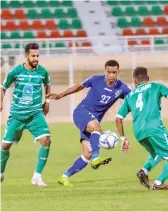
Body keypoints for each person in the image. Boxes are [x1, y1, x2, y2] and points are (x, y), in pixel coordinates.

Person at [47, 60, 131, 186]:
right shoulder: (95, 79)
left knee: (87, 154)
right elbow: (79, 86)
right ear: (105, 72)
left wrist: (124, 137)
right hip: (81, 112)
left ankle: (64, 177)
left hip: (92, 121)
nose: (112, 75)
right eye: (109, 72)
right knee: (97, 129)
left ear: (118, 72)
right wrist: (60, 95)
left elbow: (134, 98)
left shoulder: (121, 88)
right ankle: (97, 158)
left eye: (114, 72)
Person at [116, 66, 168, 190]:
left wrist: (123, 138)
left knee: (157, 153)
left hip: (138, 132)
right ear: (148, 78)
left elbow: (118, 118)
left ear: (135, 81)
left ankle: (144, 171)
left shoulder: (130, 95)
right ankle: (159, 183)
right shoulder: (156, 86)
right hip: (154, 128)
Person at [0, 43, 51, 187]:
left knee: (46, 140)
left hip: (35, 114)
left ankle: (37, 176)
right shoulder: (15, 71)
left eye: (37, 56)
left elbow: (47, 83)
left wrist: (47, 100)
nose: (36, 59)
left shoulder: (42, 72)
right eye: (33, 56)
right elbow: (3, 87)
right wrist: (1, 102)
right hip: (17, 115)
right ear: (26, 56)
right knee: (5, 146)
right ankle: (0, 172)